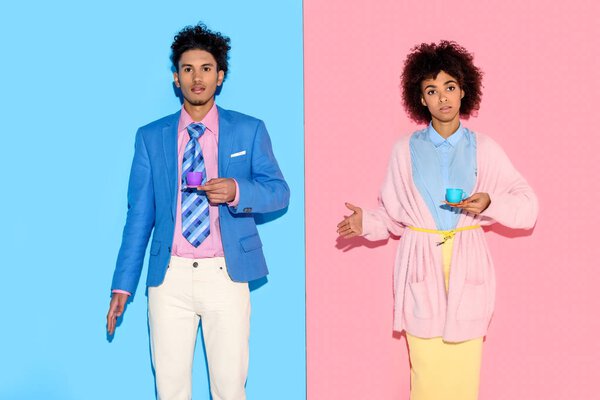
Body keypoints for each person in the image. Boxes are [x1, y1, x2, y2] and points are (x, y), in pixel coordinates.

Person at [337, 41, 538, 400]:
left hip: (467, 263)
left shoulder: (485, 148)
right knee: (426, 375)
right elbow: (395, 217)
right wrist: (366, 221)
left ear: (463, 91)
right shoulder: (404, 150)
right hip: (421, 265)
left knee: (463, 379)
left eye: (449, 87)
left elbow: (527, 207)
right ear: (421, 98)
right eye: (432, 90)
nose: (442, 97)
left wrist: (490, 201)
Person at [106, 23, 289, 400]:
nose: (197, 77)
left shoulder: (249, 130)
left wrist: (237, 190)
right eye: (187, 69)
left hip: (227, 274)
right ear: (176, 78)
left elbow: (279, 193)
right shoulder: (150, 137)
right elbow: (138, 216)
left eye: (206, 68)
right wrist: (123, 284)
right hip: (169, 277)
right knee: (169, 389)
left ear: (220, 76)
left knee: (229, 388)